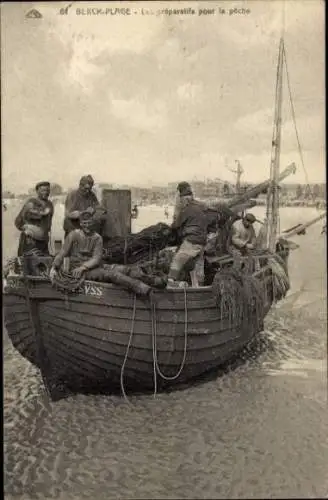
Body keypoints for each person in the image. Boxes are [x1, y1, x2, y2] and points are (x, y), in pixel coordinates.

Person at [167, 182, 207, 287]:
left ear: (185, 199)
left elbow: (176, 225)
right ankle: (197, 286)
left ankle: (170, 283)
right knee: (193, 265)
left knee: (177, 260)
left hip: (192, 240)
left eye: (182, 199)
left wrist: (170, 229)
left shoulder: (187, 210)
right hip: (202, 241)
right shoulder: (201, 206)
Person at [50, 210, 103, 280]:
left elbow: (96, 258)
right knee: (110, 275)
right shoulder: (73, 235)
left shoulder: (97, 238)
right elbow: (63, 252)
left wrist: (83, 267)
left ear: (92, 223)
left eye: (89, 223)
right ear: (80, 224)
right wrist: (54, 267)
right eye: (84, 223)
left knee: (117, 270)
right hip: (75, 268)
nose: (87, 226)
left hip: (89, 268)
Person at [15, 181, 54, 256]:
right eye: (43, 190)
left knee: (44, 262)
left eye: (48, 190)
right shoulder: (31, 202)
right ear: (37, 191)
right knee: (27, 262)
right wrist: (42, 213)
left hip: (44, 240)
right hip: (30, 240)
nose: (46, 192)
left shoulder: (50, 204)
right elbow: (19, 220)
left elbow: (49, 222)